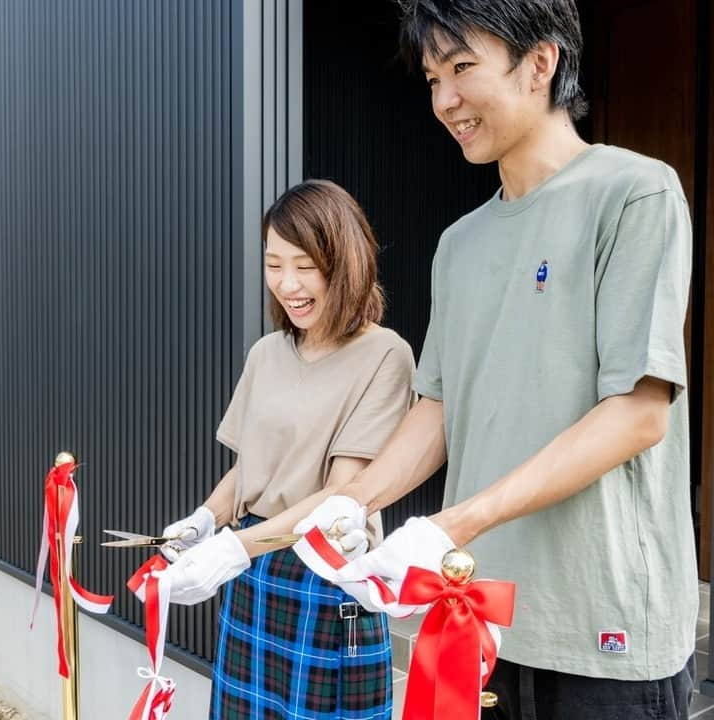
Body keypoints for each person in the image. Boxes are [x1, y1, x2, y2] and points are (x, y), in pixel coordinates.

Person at [296, 2, 698, 718]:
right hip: (474, 614)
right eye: (430, 78)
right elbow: (439, 410)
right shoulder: (460, 242)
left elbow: (638, 415)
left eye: (461, 68)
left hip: (600, 629)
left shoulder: (633, 192)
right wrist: (350, 509)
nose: (444, 100)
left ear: (540, 63)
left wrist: (450, 524)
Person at [157, 179, 416, 720]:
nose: (288, 283)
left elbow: (344, 493)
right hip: (253, 573)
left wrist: (233, 548)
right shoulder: (267, 353)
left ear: (344, 262)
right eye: (275, 264)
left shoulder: (385, 355)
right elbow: (248, 468)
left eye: (305, 265)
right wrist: (204, 520)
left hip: (324, 575)